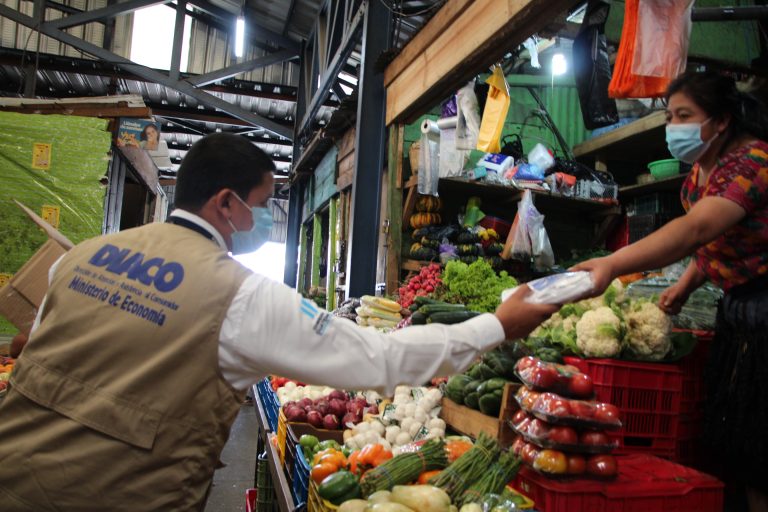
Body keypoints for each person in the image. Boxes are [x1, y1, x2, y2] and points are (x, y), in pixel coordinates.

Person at [0, 133, 558, 511]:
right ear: (225, 204)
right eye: (264, 203)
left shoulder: (83, 256)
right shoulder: (239, 296)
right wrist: (497, 324)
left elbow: (38, 350)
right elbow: (380, 358)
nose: (267, 218)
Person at [573, 71, 768, 511]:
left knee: (759, 452)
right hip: (737, 313)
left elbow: (696, 228)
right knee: (734, 445)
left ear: (720, 121)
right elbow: (713, 242)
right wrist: (684, 284)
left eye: (685, 115)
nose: (673, 125)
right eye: (669, 115)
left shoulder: (753, 162)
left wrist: (611, 263)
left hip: (763, 311)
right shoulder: (705, 164)